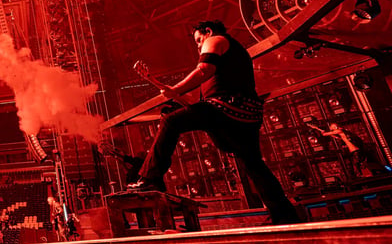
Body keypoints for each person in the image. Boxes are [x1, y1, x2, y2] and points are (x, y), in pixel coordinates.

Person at [128, 20, 302, 225]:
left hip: (227, 108)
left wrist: (177, 90)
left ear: (208, 32)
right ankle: (283, 214)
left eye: (199, 40)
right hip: (248, 115)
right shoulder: (233, 56)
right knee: (254, 164)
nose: (199, 46)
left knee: (170, 119)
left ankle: (151, 180)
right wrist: (173, 92)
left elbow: (203, 71)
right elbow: (197, 103)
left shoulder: (217, 39)